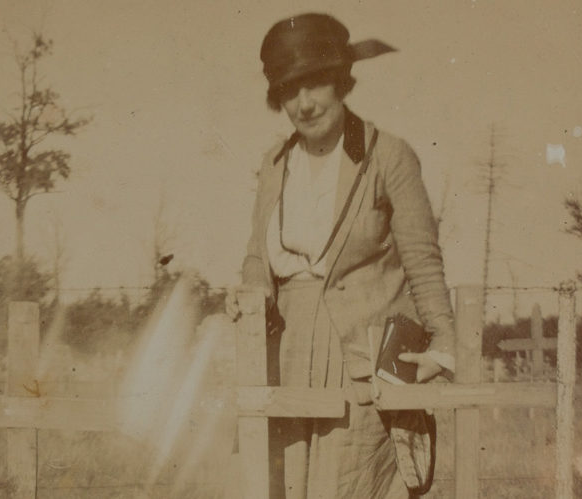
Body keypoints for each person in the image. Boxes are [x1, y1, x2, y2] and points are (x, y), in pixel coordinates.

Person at [227, 12, 456, 499]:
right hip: (284, 354)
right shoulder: (274, 165)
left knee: (348, 486)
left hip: (358, 358)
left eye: (316, 85)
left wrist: (442, 345)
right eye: (290, 91)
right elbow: (256, 256)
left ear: (340, 83)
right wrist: (252, 292)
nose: (305, 104)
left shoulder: (387, 156)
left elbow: (422, 258)